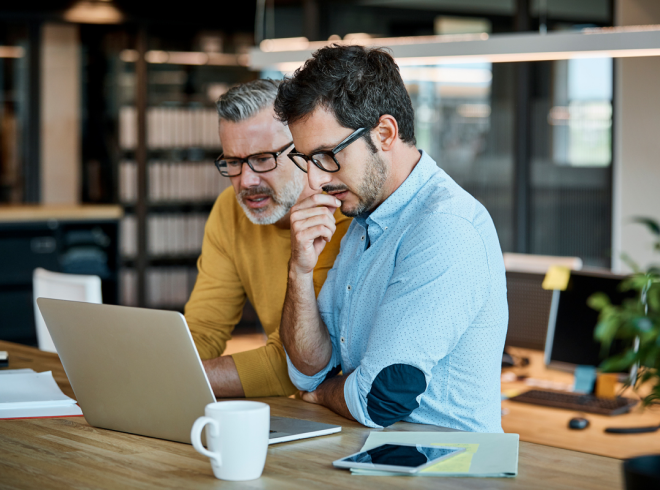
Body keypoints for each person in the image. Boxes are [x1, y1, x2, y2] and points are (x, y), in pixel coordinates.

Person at [275, 45, 508, 432]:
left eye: (328, 156)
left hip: (447, 468)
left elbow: (380, 399)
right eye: (306, 161)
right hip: (375, 457)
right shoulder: (363, 221)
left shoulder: (445, 227)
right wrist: (299, 271)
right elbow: (309, 371)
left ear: (385, 133)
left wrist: (325, 394)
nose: (315, 181)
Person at [184, 79, 351, 398]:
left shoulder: (342, 217)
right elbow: (203, 331)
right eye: (233, 162)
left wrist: (179, 378)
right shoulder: (229, 211)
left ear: (302, 150)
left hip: (357, 419)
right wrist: (151, 368)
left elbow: (297, 364)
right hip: (298, 412)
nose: (246, 181)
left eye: (263, 159)